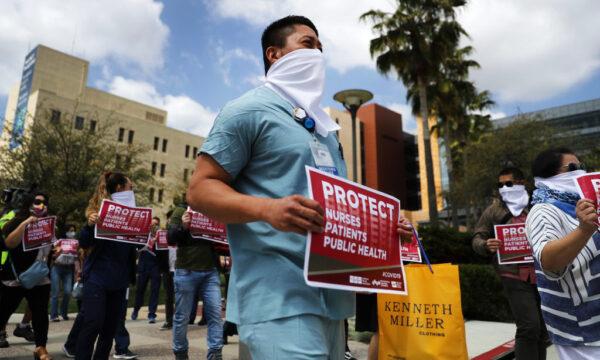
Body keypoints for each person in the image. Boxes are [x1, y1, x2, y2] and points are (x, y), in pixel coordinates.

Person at [187, 15, 412, 358]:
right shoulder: (246, 110)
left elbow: (339, 210)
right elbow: (200, 189)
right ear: (274, 54)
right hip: (277, 298)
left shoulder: (326, 130)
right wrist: (268, 209)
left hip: (333, 300)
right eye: (308, 44)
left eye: (321, 48)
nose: (317, 54)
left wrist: (381, 231)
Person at [525, 148, 600, 359]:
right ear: (549, 175)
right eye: (574, 168)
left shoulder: (584, 204)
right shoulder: (542, 212)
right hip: (581, 329)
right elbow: (549, 260)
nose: (581, 172)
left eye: (582, 167)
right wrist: (584, 230)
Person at [472, 167, 548, 359]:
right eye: (500, 185)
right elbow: (477, 238)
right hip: (512, 274)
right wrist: (485, 244)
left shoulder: (538, 204)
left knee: (543, 329)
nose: (504, 188)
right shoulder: (493, 211)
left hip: (543, 273)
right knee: (529, 326)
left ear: (521, 183)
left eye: (508, 183)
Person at [76, 172, 138, 360]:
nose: (133, 189)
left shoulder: (134, 214)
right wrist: (89, 225)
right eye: (130, 186)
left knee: (110, 328)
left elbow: (139, 245)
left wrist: (145, 232)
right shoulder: (98, 210)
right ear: (119, 188)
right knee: (92, 323)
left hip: (119, 280)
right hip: (97, 277)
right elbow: (84, 243)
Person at [0, 192, 53, 359]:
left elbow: (49, 246)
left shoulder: (49, 223)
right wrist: (26, 223)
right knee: (3, 311)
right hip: (15, 278)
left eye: (45, 203)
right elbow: (8, 243)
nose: (42, 205)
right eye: (38, 202)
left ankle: (41, 348)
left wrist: (56, 251)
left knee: (40, 314)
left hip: (40, 277)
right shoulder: (16, 220)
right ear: (29, 203)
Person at [167, 204, 223, 360]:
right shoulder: (180, 211)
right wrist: (183, 227)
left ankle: (215, 354)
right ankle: (181, 353)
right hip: (186, 271)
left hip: (210, 272)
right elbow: (170, 237)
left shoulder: (212, 209)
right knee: (181, 316)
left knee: (215, 315)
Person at [132, 216, 161, 324]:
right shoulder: (143, 236)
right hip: (144, 266)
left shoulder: (161, 237)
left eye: (156, 224)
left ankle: (152, 314)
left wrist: (157, 241)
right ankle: (136, 309)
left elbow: (164, 251)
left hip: (156, 267)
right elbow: (137, 247)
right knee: (140, 290)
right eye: (152, 224)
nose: (154, 226)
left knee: (155, 291)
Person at [50, 224, 78, 321]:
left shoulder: (76, 242)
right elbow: (52, 254)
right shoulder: (59, 241)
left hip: (68, 269)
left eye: (73, 230)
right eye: (70, 230)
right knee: (55, 292)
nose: (72, 232)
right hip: (57, 268)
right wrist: (57, 252)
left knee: (67, 292)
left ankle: (64, 312)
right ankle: (54, 315)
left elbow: (78, 256)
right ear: (65, 231)